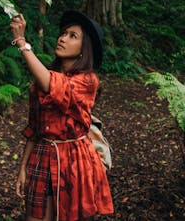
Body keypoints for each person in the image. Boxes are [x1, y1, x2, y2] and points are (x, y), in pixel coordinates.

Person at [10, 11, 113, 221]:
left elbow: (55, 86)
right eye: (63, 33)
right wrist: (23, 167)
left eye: (72, 36)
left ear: (84, 49)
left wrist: (21, 42)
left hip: (74, 161)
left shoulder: (88, 81)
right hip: (41, 155)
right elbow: (35, 128)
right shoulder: (44, 78)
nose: (62, 38)